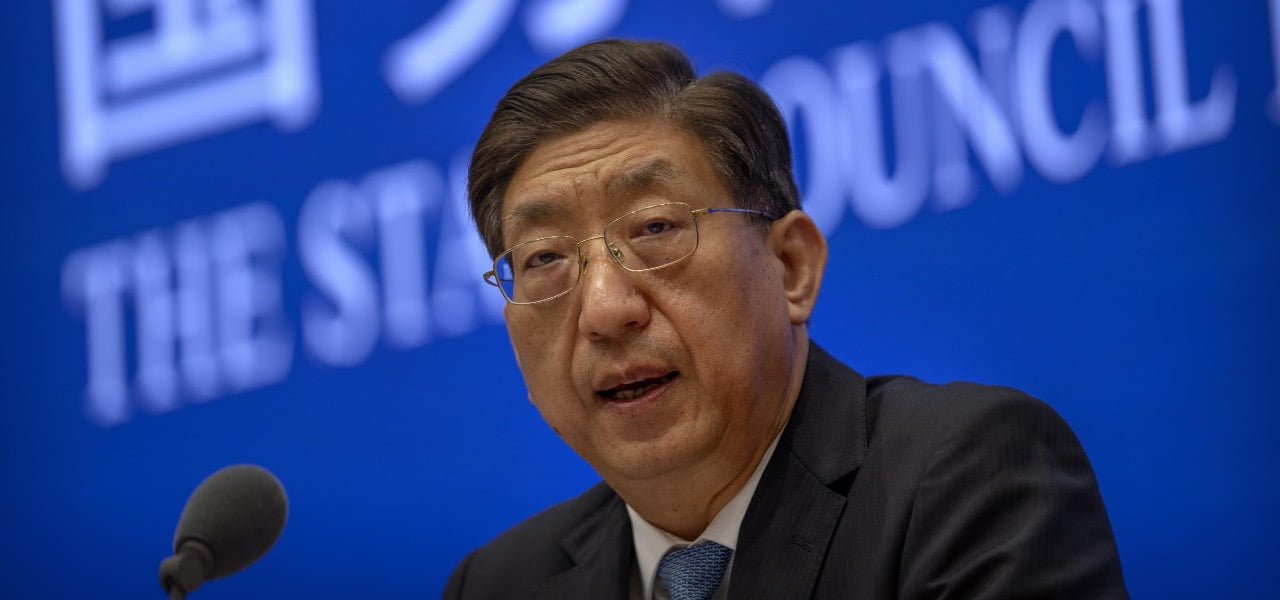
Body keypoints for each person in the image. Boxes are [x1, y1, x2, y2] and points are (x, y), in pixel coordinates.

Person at [444, 39, 1127, 599]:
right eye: (544, 259)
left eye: (655, 227)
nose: (604, 310)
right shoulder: (498, 585)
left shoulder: (967, 481)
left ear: (791, 266)